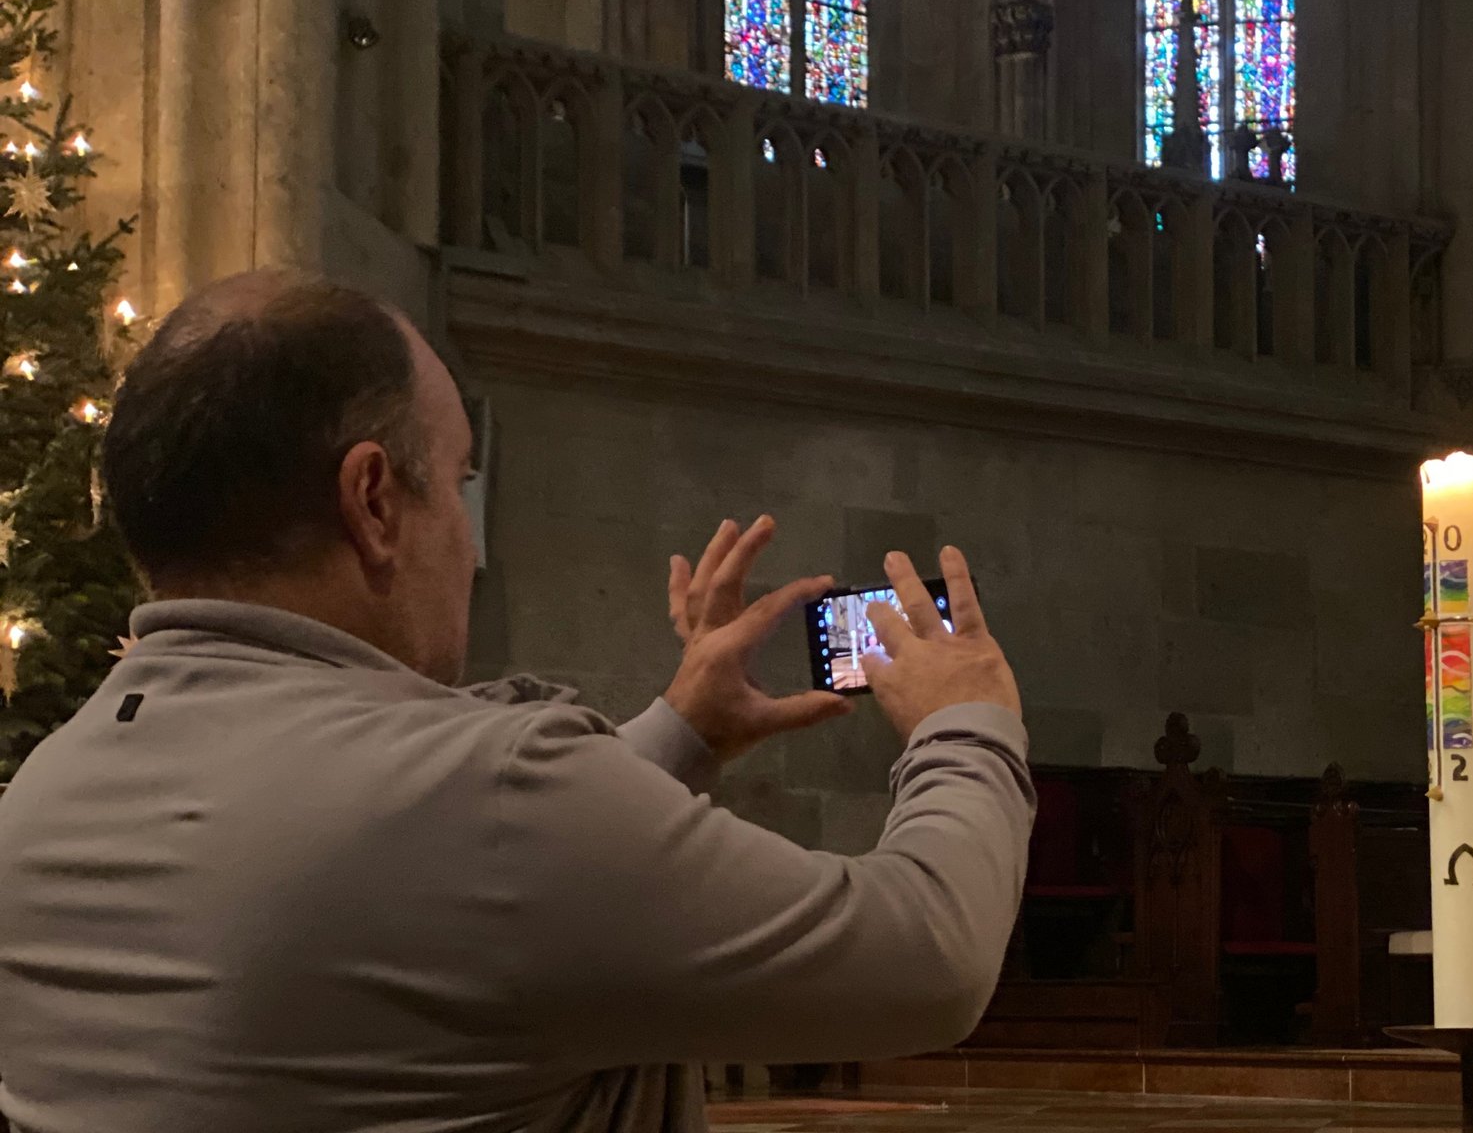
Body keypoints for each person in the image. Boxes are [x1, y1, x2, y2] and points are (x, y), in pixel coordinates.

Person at [0, 270, 1033, 1132]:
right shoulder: (489, 793)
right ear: (372, 502)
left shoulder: (41, 803)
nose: (468, 535)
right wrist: (966, 720)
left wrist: (680, 733)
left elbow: (396, 889)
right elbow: (926, 958)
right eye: (456, 481)